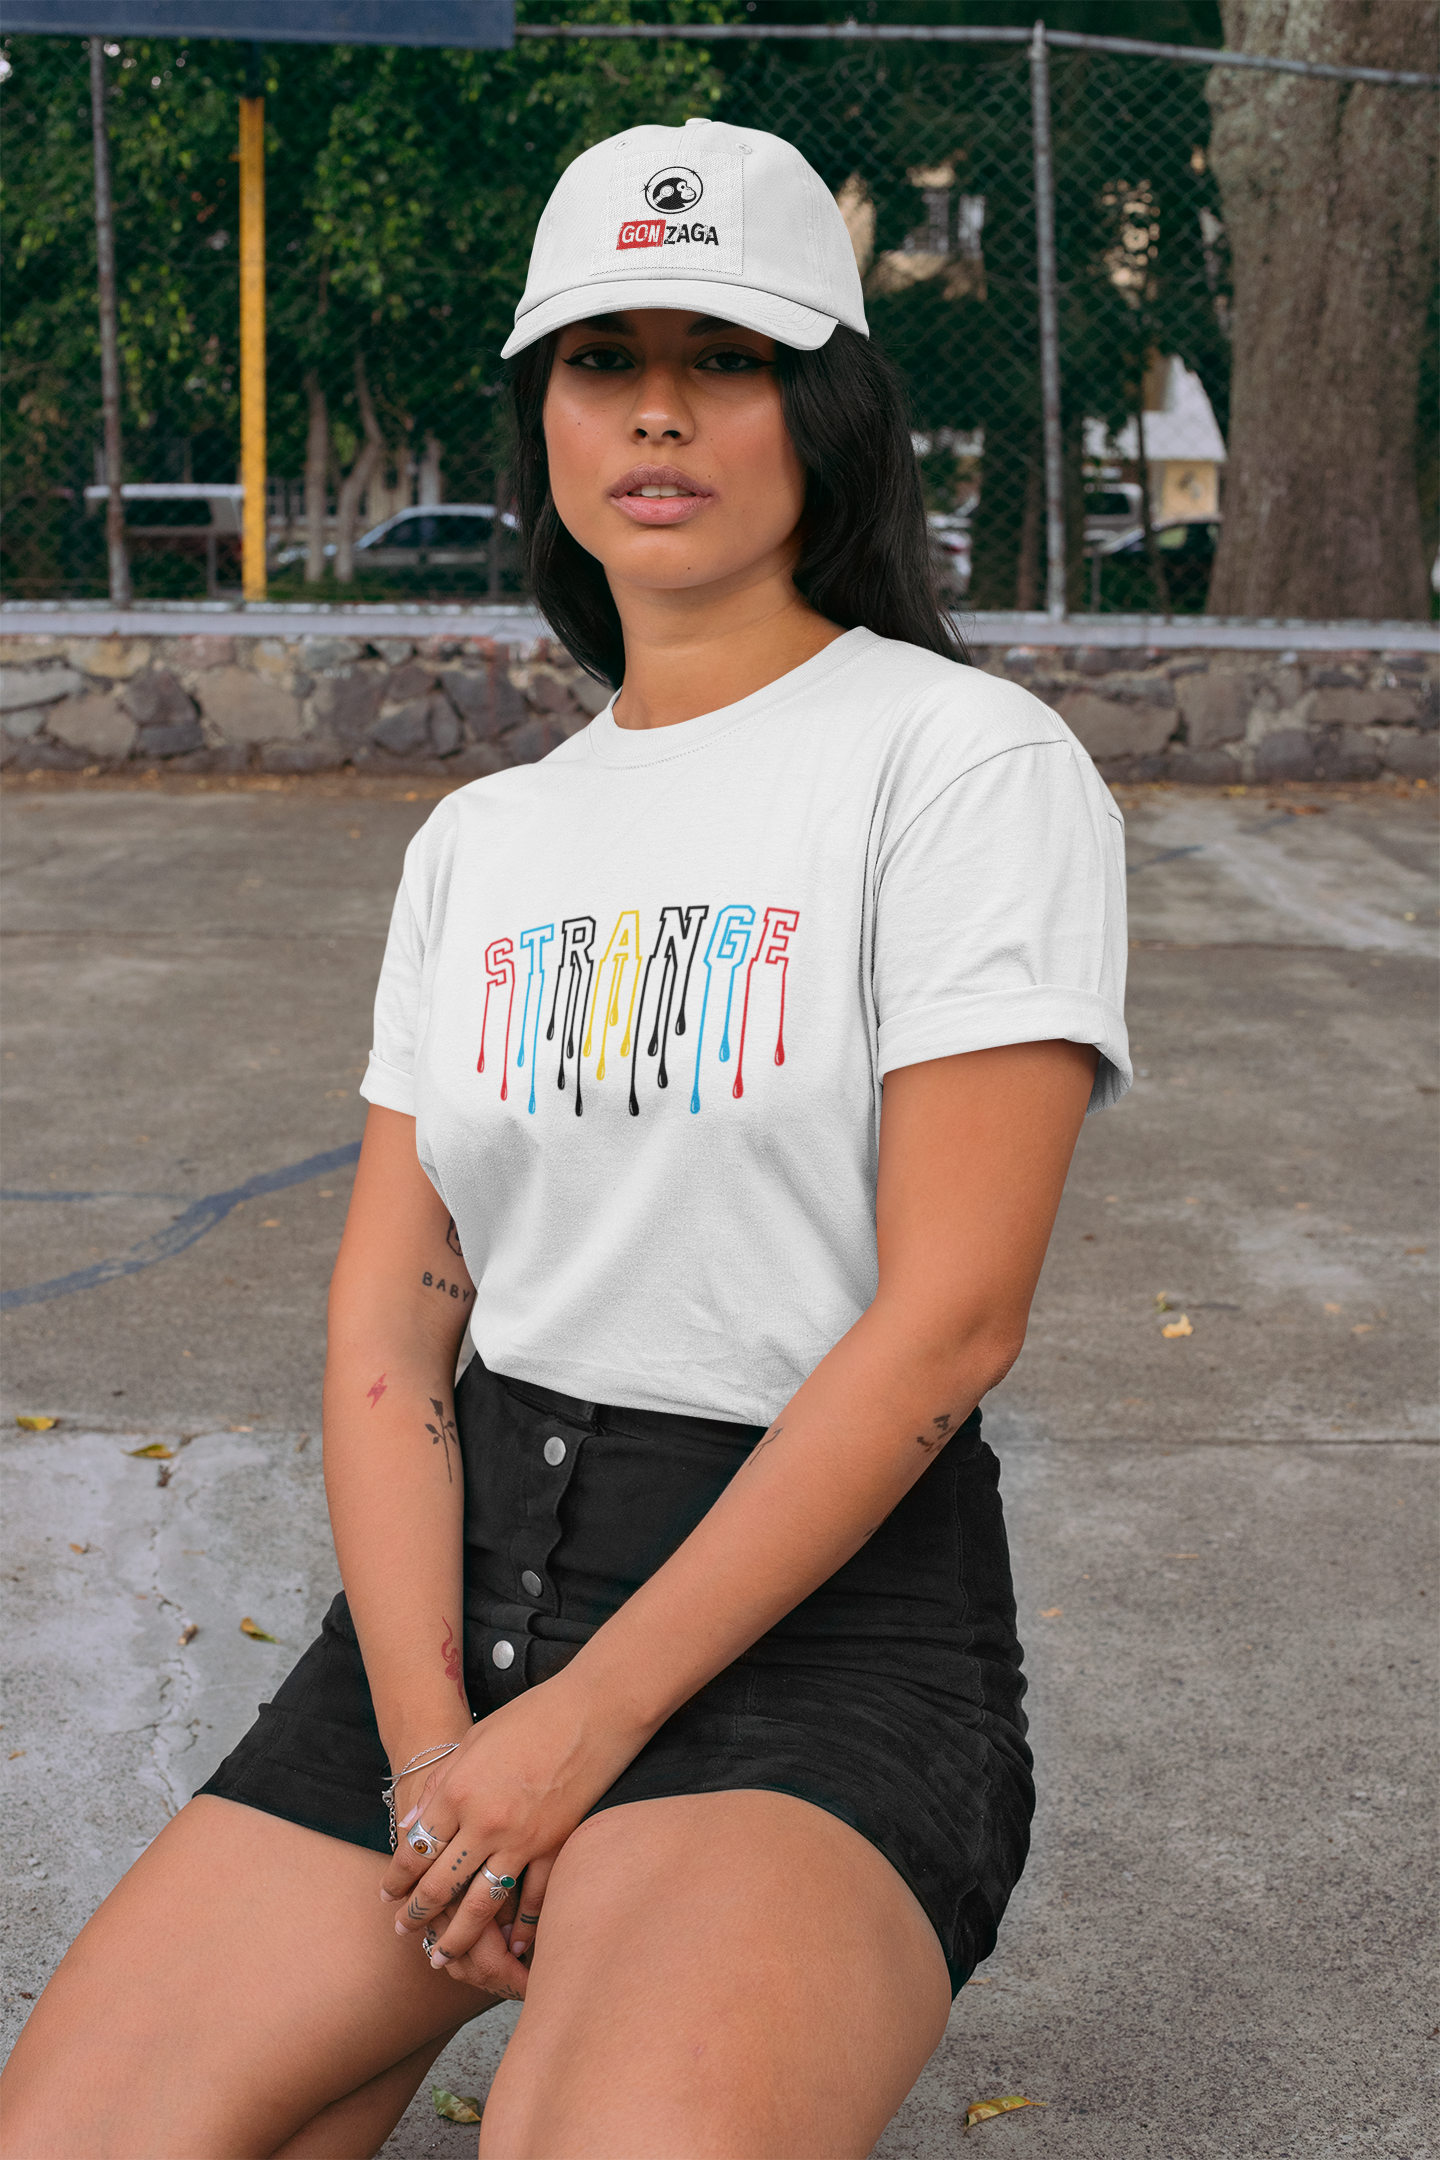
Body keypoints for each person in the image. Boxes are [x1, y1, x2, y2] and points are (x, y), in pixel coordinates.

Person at [0, 118, 1129, 2160]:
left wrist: (576, 1743)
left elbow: (950, 1327)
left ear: (830, 408)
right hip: (465, 1608)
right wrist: (444, 1749)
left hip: (816, 1634)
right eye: (605, 360)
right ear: (546, 421)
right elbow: (388, 1326)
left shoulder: (957, 765)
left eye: (729, 354)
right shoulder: (485, 840)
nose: (662, 411)